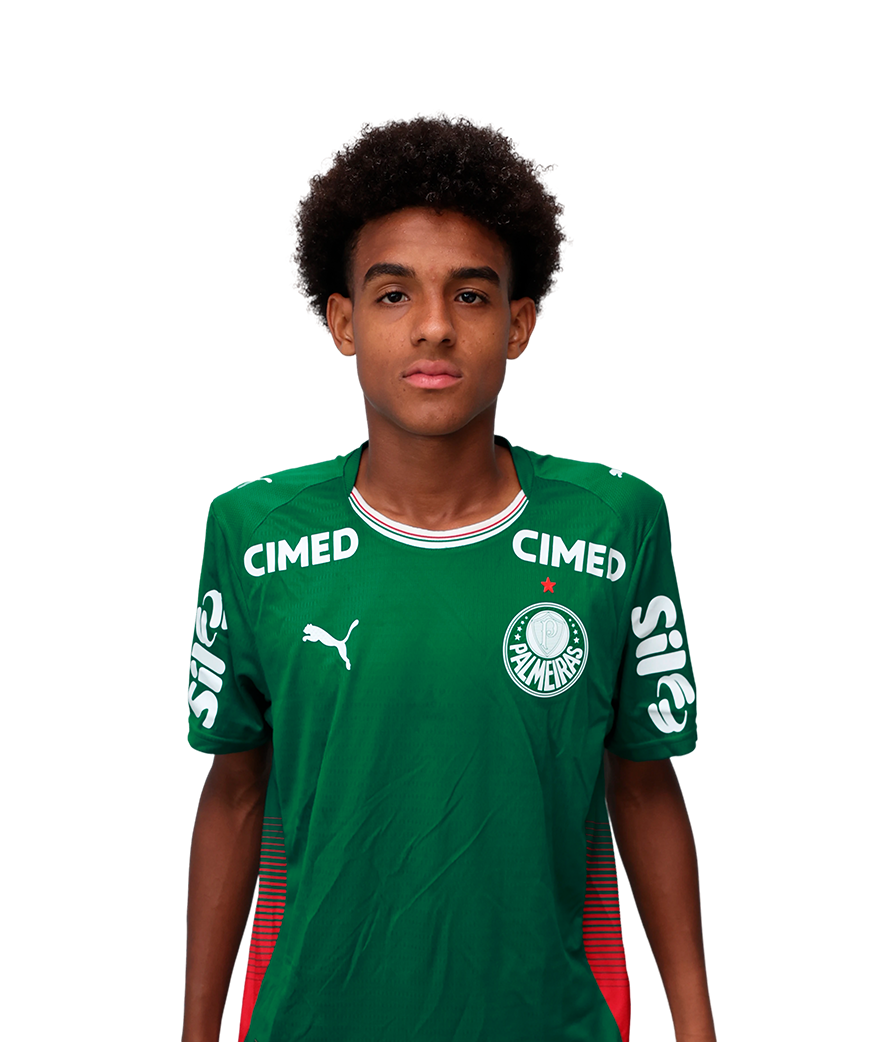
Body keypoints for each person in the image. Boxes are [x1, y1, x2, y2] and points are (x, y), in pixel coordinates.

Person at [183, 112, 716, 1042]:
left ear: (519, 325)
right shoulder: (254, 533)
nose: (433, 327)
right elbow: (232, 792)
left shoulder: (615, 524)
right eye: (393, 295)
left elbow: (644, 788)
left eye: (470, 295)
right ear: (342, 324)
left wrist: (701, 1032)